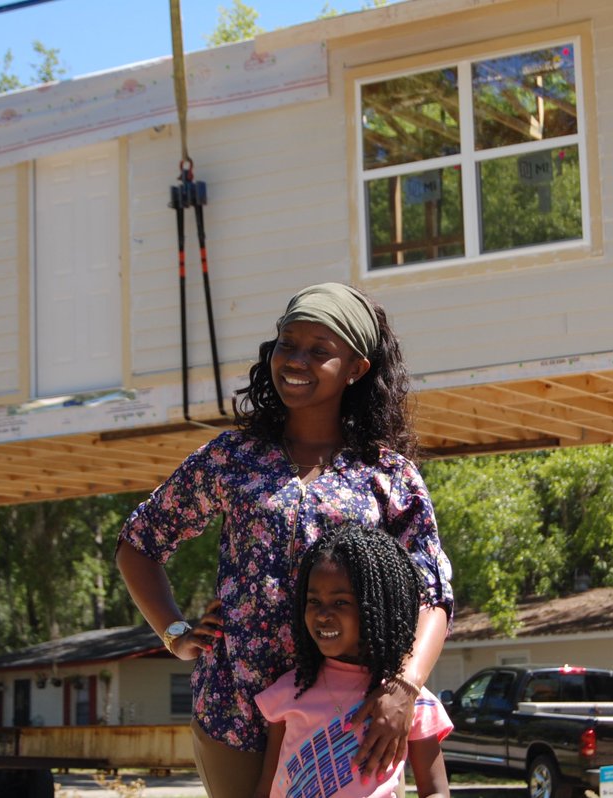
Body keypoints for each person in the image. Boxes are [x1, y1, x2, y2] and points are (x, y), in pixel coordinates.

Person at [115, 282, 454, 798]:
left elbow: (432, 593)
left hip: (350, 707)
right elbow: (138, 543)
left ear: (357, 368)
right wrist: (176, 634)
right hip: (234, 708)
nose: (296, 360)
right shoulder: (232, 457)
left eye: (320, 351)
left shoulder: (388, 476)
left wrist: (403, 688)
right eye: (288, 344)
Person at [253, 525, 453, 798]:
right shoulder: (287, 692)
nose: (322, 615)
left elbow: (435, 791)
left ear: (377, 607)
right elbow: (267, 787)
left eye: (340, 603)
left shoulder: (407, 702)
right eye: (313, 601)